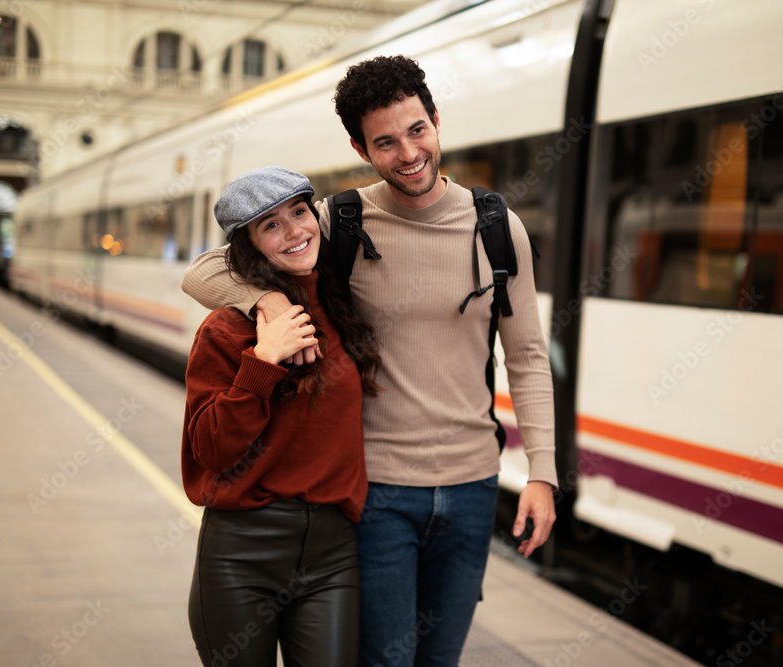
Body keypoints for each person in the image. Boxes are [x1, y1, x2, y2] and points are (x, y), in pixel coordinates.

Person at [182, 55, 558, 666]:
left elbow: (528, 357)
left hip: (472, 488)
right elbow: (204, 271)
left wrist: (541, 473)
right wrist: (269, 304)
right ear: (361, 148)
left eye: (417, 131)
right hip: (378, 492)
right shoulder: (340, 222)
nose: (408, 153)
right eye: (385, 142)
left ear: (436, 121)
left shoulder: (496, 227)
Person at [181, 166, 382, 667]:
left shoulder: (341, 305)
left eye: (299, 212)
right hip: (242, 553)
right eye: (270, 225)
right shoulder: (226, 330)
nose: (295, 231)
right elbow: (210, 449)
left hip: (333, 552)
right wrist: (262, 361)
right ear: (248, 247)